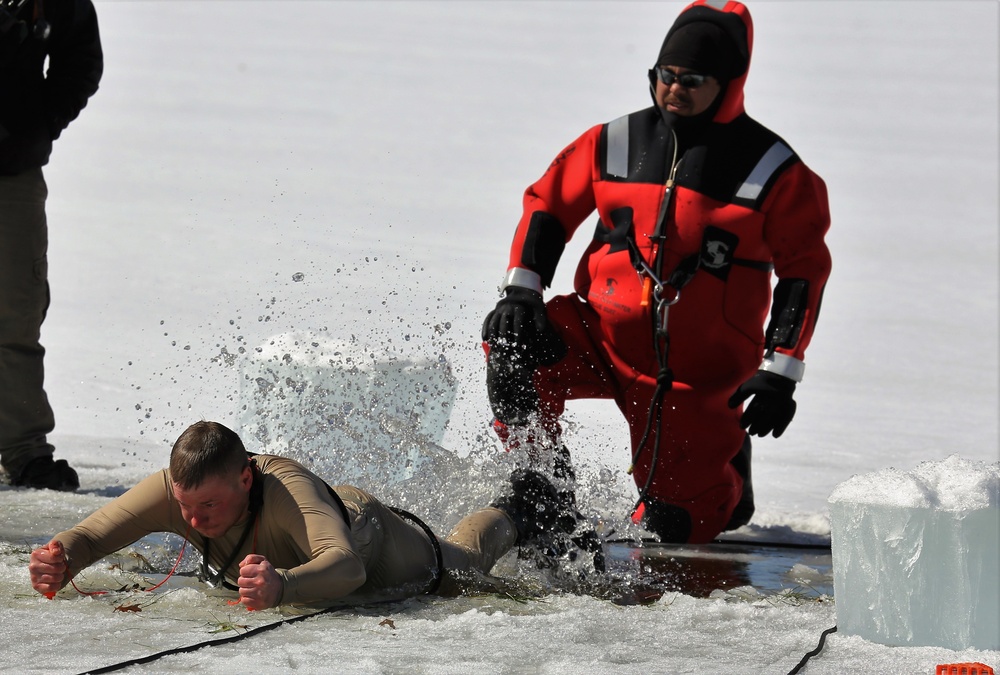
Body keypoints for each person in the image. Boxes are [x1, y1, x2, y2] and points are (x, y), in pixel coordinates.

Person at [482, 0, 832, 545]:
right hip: (603, 337)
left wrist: (781, 370)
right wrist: (521, 290)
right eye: (665, 75)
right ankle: (542, 480)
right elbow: (548, 205)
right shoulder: (612, 142)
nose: (674, 90)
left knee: (674, 527)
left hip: (700, 376)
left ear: (728, 83)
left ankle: (729, 471)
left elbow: (803, 270)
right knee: (512, 345)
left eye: (692, 80)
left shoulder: (775, 172)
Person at [28, 421, 555, 608]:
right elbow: (91, 535)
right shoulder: (177, 490)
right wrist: (62, 557)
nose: (193, 521)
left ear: (245, 478)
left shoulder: (283, 489)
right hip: (319, 546)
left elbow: (347, 566)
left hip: (372, 542)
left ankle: (521, 506)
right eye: (185, 507)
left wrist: (283, 585)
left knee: (463, 565)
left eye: (208, 506)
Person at [0, 0, 103, 490]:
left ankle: (24, 451)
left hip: (12, 171)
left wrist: (37, 125)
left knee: (15, 313)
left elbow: (80, 57)